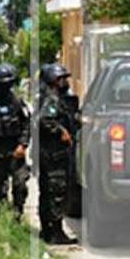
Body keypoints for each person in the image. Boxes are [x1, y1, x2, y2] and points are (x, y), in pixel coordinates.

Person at [35, 63, 79, 245]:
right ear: (53, 81)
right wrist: (62, 131)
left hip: (50, 154)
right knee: (57, 192)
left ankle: (47, 231)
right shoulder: (51, 99)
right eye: (61, 79)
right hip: (55, 155)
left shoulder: (50, 97)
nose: (65, 82)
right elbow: (45, 120)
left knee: (48, 192)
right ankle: (55, 233)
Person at [0, 64, 30, 218]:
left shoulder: (17, 102)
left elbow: (26, 125)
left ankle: (17, 214)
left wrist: (22, 145)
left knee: (20, 185)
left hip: (15, 151)